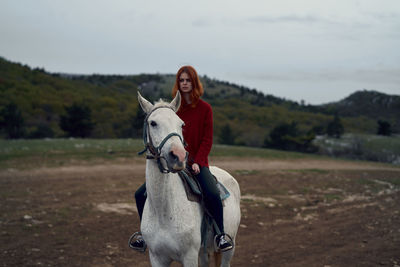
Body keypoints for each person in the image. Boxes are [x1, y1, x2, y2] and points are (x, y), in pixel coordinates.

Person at [129, 65, 234, 252]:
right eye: (181, 80)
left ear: (194, 83)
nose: (184, 83)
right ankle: (145, 236)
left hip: (197, 163)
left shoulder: (205, 109)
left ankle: (220, 235)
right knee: (140, 194)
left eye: (188, 80)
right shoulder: (172, 109)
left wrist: (198, 162)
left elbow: (207, 139)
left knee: (211, 193)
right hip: (173, 161)